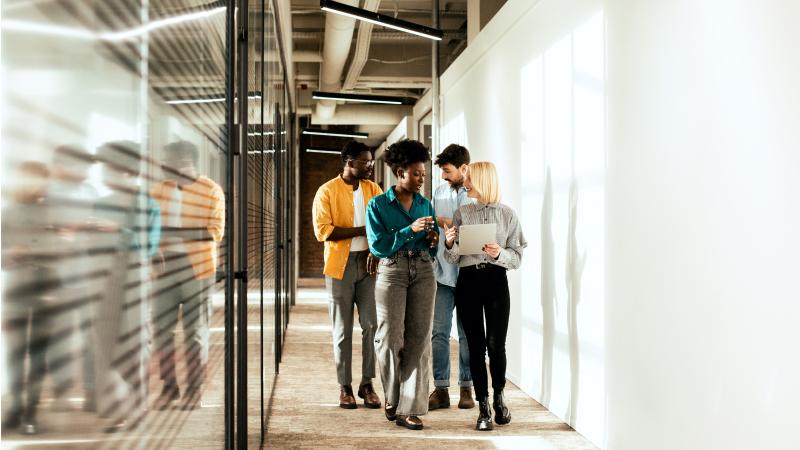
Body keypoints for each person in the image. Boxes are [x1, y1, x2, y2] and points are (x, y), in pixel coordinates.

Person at [443, 161, 527, 431]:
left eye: (468, 179)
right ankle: (483, 407)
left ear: (482, 180)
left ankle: (500, 397)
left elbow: (517, 258)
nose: (465, 183)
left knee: (496, 344)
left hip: (495, 281)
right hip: (468, 281)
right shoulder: (462, 213)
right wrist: (449, 242)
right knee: (475, 347)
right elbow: (453, 258)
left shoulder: (507, 215)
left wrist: (499, 253)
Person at [366, 139, 439, 431]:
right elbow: (378, 245)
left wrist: (433, 240)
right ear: (400, 173)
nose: (421, 179)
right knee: (389, 338)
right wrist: (410, 230)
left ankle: (410, 409)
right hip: (392, 270)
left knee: (419, 340)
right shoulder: (378, 205)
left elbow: (433, 247)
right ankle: (392, 396)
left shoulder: (425, 204)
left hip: (423, 269)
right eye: (416, 174)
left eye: (424, 174)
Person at [91, 141, 161, 432]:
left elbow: (148, 246)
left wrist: (118, 231)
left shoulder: (147, 204)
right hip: (104, 274)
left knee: (136, 341)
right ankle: (119, 407)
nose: (104, 174)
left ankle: (137, 408)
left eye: (108, 168)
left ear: (126, 170)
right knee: (106, 340)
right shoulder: (101, 203)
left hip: (134, 272)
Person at [150, 141, 225, 410]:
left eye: (167, 160)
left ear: (184, 161)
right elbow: (150, 229)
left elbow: (213, 232)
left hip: (198, 269)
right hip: (164, 268)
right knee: (161, 331)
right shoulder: (160, 190)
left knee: (194, 333)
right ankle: (169, 388)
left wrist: (169, 232)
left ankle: (194, 391)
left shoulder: (211, 190)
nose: (163, 165)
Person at [311, 141, 383, 409]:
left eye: (371, 161)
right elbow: (324, 231)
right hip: (339, 267)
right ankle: (345, 386)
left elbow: (383, 224)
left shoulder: (373, 189)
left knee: (371, 325)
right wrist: (362, 230)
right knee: (342, 329)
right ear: (350, 163)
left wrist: (374, 247)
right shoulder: (327, 191)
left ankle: (367, 384)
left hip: (369, 264)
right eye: (366, 161)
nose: (370, 166)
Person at [1, 162, 59, 435]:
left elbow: (64, 253)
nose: (44, 186)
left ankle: (31, 414)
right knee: (14, 353)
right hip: (16, 290)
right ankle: (14, 409)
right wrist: (10, 254)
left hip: (47, 288)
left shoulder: (53, 213)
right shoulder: (6, 213)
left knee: (38, 354)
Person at [428, 144, 475, 411]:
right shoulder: (438, 192)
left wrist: (446, 221)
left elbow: (478, 231)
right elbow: (435, 231)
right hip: (442, 274)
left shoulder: (476, 194)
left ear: (463, 168)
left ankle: (466, 388)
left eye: (447, 171)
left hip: (468, 274)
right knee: (439, 333)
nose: (443, 176)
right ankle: (441, 389)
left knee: (467, 334)